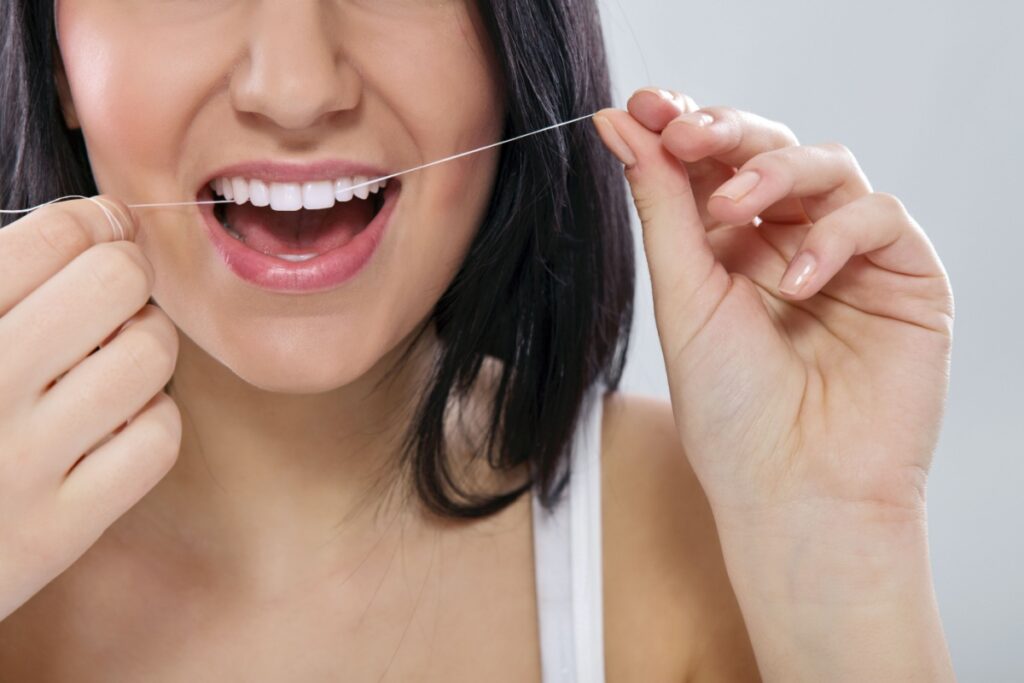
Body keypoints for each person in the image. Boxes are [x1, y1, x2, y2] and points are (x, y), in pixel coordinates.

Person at [0, 1, 956, 680]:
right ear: (54, 56)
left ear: (515, 40)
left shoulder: (702, 529)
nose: (295, 88)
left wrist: (844, 555)